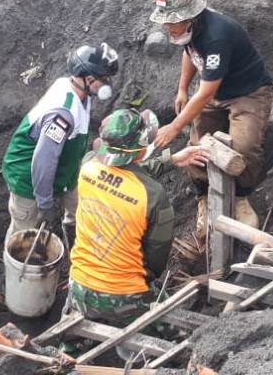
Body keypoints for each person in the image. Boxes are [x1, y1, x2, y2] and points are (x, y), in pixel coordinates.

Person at [65, 109, 210, 330]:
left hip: (78, 287)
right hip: (125, 296)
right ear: (140, 149)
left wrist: (170, 159)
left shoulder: (87, 166)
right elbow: (156, 259)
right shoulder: (153, 195)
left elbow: (124, 173)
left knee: (75, 327)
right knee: (166, 331)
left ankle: (70, 345)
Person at [150, 0, 273, 234]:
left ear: (189, 17)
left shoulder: (217, 36)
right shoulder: (187, 30)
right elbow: (191, 53)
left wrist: (174, 127)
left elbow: (206, 93)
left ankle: (241, 196)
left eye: (171, 22)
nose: (167, 27)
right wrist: (183, 88)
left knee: (245, 146)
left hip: (247, 93)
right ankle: (203, 195)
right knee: (198, 144)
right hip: (215, 90)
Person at [1, 43, 119, 238]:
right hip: (29, 179)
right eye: (105, 79)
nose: (108, 84)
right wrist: (45, 203)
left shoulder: (79, 92)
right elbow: (44, 160)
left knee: (80, 209)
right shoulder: (63, 115)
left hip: (64, 171)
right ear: (89, 79)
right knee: (23, 236)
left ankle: (73, 238)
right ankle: (17, 268)